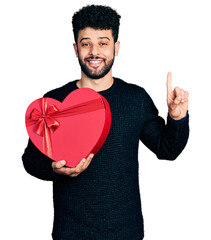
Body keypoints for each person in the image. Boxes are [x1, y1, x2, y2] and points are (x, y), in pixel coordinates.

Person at [22, 5, 189, 240]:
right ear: (75, 48)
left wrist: (177, 117)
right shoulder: (54, 101)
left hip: (126, 233)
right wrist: (54, 170)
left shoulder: (135, 99)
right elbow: (30, 160)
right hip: (69, 233)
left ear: (116, 47)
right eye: (85, 43)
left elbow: (167, 149)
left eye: (103, 43)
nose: (94, 52)